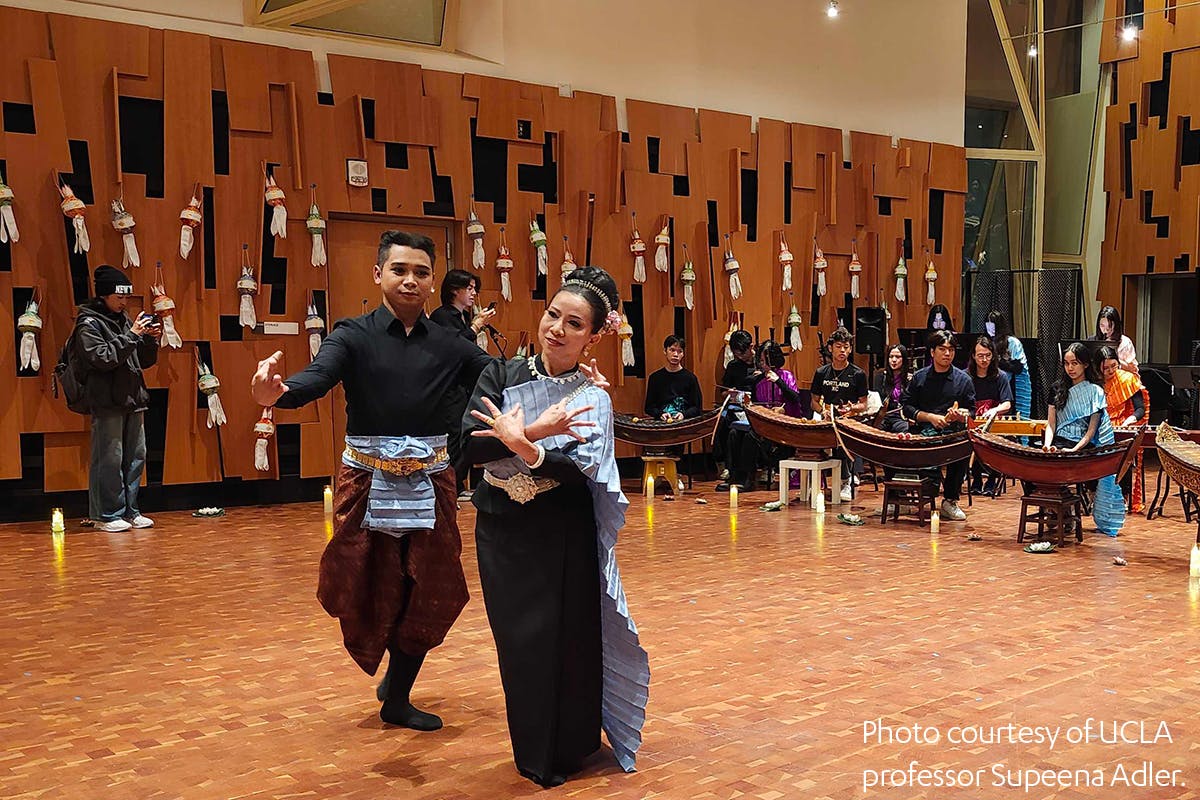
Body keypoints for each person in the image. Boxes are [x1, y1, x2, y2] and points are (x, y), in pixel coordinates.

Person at [252, 230, 515, 732]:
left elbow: (498, 375)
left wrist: (559, 370)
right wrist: (277, 392)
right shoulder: (352, 335)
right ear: (378, 274)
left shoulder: (450, 342)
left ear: (432, 279)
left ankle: (398, 692)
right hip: (366, 482)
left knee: (433, 587)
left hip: (432, 480)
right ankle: (392, 680)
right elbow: (313, 379)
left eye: (420, 272)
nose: (410, 280)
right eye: (399, 270)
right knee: (367, 583)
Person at [461, 266, 649, 788]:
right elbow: (466, 447)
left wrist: (527, 446)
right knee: (522, 642)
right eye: (552, 315)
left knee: (570, 637)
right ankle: (535, 756)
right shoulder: (499, 376)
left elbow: (583, 470)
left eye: (574, 323)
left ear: (593, 336)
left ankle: (574, 745)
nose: (557, 329)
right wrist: (537, 434)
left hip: (564, 529)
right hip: (503, 528)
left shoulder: (593, 396)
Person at [76, 265, 161, 532]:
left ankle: (131, 511)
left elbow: (143, 361)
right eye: (119, 297)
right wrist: (132, 336)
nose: (124, 302)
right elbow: (101, 357)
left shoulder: (124, 320)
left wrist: (148, 340)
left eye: (126, 297)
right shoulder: (88, 323)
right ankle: (106, 514)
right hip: (106, 400)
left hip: (133, 397)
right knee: (109, 458)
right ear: (104, 295)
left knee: (136, 457)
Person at [1039, 342, 1124, 537]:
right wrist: (1047, 445)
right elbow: (1051, 424)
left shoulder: (1095, 391)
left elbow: (1091, 431)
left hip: (1083, 446)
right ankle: (1057, 507)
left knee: (1064, 464)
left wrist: (1075, 449)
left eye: (1075, 363)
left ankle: (1063, 508)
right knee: (1037, 465)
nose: (1070, 368)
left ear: (1085, 364)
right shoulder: (1057, 389)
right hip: (1058, 442)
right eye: (1067, 364)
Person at [429, 268, 498, 497]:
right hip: (449, 387)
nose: (473, 293)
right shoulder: (442, 315)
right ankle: (448, 488)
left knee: (464, 436)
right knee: (454, 438)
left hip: (464, 385)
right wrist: (476, 326)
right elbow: (455, 346)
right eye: (468, 288)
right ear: (453, 290)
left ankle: (456, 486)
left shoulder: (460, 316)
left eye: (474, 288)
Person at [899, 330, 975, 521]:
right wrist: (930, 417)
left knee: (964, 446)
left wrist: (961, 415)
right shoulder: (920, 377)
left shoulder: (964, 380)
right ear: (932, 352)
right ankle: (914, 496)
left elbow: (972, 411)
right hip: (924, 429)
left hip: (953, 432)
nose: (947, 353)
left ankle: (950, 500)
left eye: (950, 349)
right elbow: (907, 407)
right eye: (942, 349)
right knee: (900, 444)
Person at [720, 340, 803, 492]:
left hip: (782, 426)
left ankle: (747, 479)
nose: (762, 364)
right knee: (734, 433)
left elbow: (795, 399)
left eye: (765, 361)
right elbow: (753, 401)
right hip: (762, 422)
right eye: (761, 361)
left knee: (751, 436)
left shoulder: (786, 376)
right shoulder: (758, 380)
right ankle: (734, 476)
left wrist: (779, 382)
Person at [810, 327, 868, 501]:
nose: (842, 350)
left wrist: (852, 409)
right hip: (827, 418)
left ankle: (845, 481)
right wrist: (824, 411)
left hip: (848, 419)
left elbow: (863, 404)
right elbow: (813, 401)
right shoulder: (821, 373)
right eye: (838, 346)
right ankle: (815, 483)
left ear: (850, 349)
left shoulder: (858, 374)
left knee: (842, 438)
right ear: (830, 348)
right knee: (808, 440)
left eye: (846, 347)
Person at [1100, 344, 1150, 513]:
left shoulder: (1127, 379)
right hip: (1100, 425)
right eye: (1105, 368)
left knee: (1124, 455)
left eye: (1114, 366)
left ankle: (1122, 495)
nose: (1110, 371)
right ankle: (1097, 495)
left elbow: (1140, 409)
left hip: (1122, 425)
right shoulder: (1095, 382)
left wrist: (1130, 419)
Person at [967, 336, 1012, 496]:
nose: (984, 359)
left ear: (993, 355)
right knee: (971, 441)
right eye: (980, 355)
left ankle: (992, 479)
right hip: (972, 420)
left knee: (992, 443)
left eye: (987, 355)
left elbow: (1007, 404)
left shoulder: (1001, 376)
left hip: (993, 422)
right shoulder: (966, 376)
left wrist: (994, 410)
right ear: (973, 355)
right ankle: (976, 479)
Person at [714, 330, 759, 478]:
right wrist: (730, 392)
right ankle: (726, 465)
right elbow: (723, 391)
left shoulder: (761, 362)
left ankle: (761, 466)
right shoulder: (733, 366)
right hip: (737, 405)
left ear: (751, 346)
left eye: (742, 353)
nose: (739, 357)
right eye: (736, 354)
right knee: (722, 421)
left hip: (758, 405)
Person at [644, 335, 703, 422]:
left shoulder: (691, 378)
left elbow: (697, 407)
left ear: (683, 354)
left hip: (684, 424)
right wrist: (660, 414)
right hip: (661, 424)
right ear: (665, 351)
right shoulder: (655, 378)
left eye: (679, 351)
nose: (675, 354)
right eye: (672, 350)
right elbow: (649, 407)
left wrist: (684, 414)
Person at [987, 310, 1031, 422]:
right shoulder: (986, 342)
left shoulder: (1012, 342)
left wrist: (998, 361)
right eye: (988, 325)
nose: (990, 328)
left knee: (1019, 420)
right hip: (993, 386)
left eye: (992, 325)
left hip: (1015, 386)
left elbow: (1019, 367)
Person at [873, 344, 912, 434]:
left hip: (901, 417)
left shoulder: (910, 379)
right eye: (891, 357)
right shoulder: (881, 376)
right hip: (884, 416)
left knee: (906, 430)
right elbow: (877, 400)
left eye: (898, 357)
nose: (894, 360)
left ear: (904, 359)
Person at [1093, 304, 1139, 374]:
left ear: (1116, 324)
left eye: (1110, 326)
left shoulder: (1125, 342)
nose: (1106, 330)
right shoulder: (1093, 341)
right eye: (1102, 325)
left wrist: (1114, 359)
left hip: (1120, 380)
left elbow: (1133, 369)